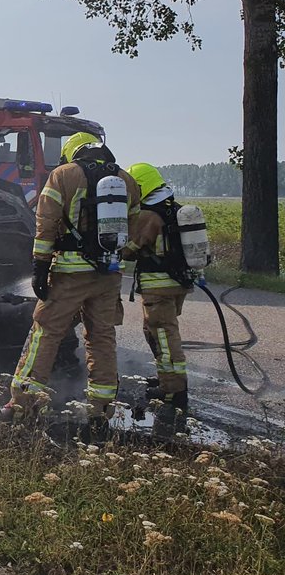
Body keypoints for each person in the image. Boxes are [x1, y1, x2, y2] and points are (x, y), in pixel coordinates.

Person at [6, 132, 139, 432]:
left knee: (46, 333)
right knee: (101, 337)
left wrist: (40, 266)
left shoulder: (63, 175)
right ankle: (100, 411)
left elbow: (46, 223)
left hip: (68, 273)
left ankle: (23, 405)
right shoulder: (126, 180)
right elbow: (134, 228)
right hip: (108, 276)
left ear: (72, 153)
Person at [123, 163, 192, 421]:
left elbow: (128, 249)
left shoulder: (148, 216)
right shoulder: (173, 209)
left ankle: (174, 391)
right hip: (176, 284)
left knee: (163, 336)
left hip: (158, 286)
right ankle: (168, 380)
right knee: (154, 331)